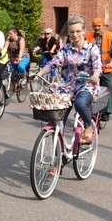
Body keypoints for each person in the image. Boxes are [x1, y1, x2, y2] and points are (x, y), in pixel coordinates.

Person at [36, 16, 102, 145]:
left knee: (80, 103)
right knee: (57, 118)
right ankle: (57, 158)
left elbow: (97, 65)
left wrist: (95, 76)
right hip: (67, 86)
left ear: (84, 31)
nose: (74, 34)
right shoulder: (66, 49)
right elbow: (53, 63)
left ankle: (89, 126)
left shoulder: (92, 48)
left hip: (86, 86)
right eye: (71, 32)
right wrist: (39, 73)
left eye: (78, 31)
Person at [85, 18, 112, 122]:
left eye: (99, 25)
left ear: (103, 26)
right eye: (95, 26)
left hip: (108, 68)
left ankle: (107, 112)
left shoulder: (110, 36)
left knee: (110, 87)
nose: (97, 28)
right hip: (93, 68)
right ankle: (87, 110)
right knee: (87, 87)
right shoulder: (88, 36)